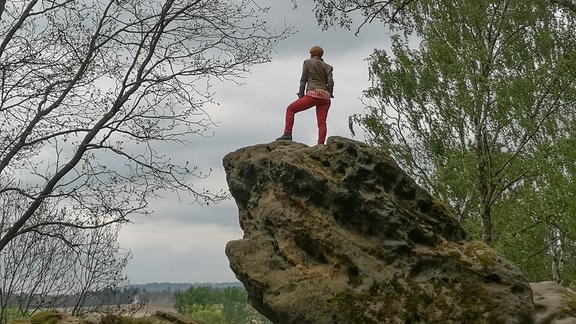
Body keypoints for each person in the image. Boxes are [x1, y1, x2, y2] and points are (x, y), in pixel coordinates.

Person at [276, 45, 334, 145]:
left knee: (290, 109)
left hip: (313, 94)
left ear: (311, 54)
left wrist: (301, 94)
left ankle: (287, 134)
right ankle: (320, 144)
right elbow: (331, 82)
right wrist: (330, 93)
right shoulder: (328, 66)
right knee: (322, 122)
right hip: (325, 97)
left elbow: (303, 80)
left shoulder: (308, 62)